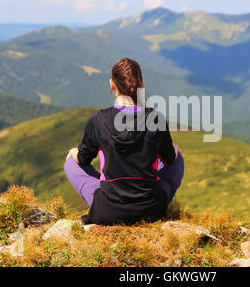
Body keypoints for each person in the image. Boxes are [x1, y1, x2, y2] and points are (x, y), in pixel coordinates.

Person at [64, 57, 184, 225]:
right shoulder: (155, 119)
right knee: (178, 159)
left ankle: (108, 194)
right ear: (141, 84)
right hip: (151, 210)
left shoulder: (98, 120)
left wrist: (73, 152)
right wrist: (175, 149)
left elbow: (83, 159)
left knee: (71, 162)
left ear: (112, 84)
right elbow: (170, 160)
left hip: (108, 210)